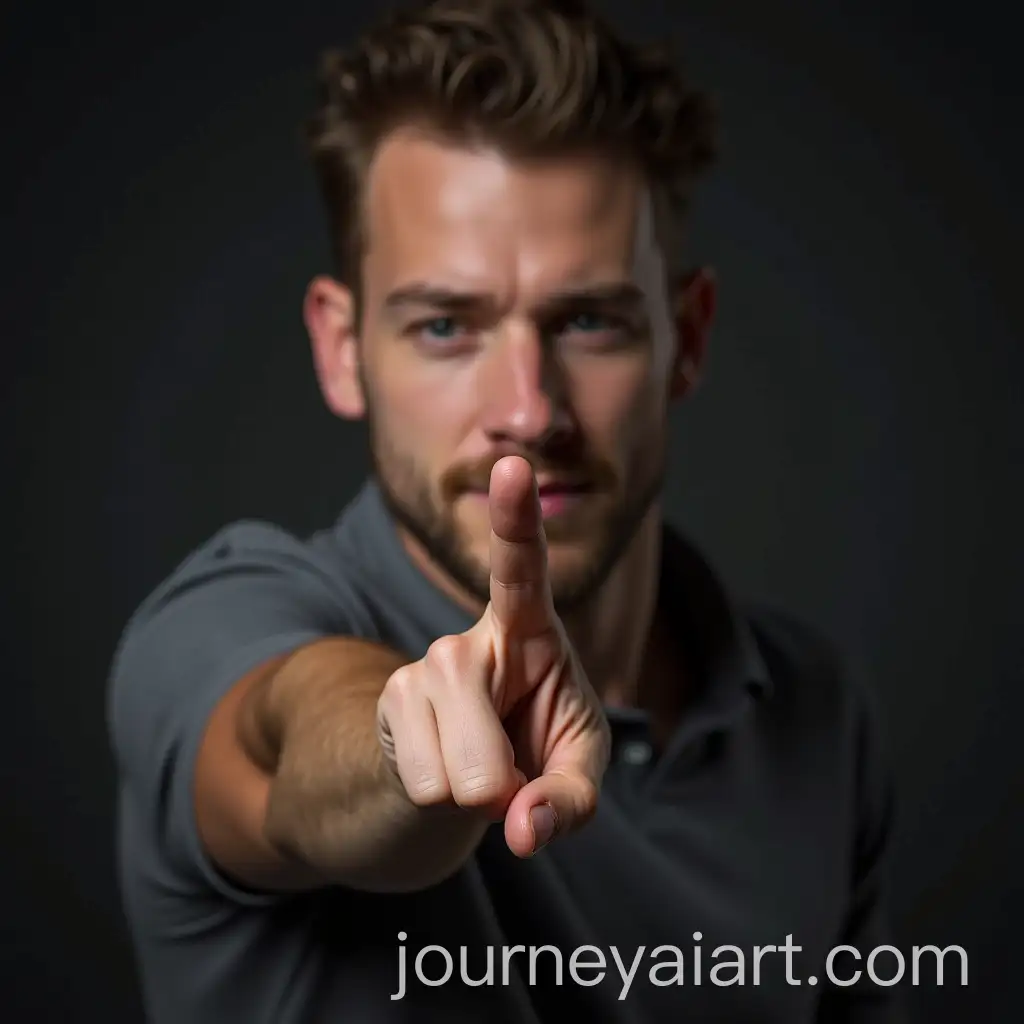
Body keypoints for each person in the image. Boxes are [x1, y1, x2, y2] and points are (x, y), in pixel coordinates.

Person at [107, 1, 904, 1021]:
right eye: (445, 325)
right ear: (341, 347)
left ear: (687, 339)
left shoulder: (817, 715)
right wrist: (410, 747)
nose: (528, 410)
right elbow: (290, 745)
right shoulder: (214, 625)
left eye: (588, 320)